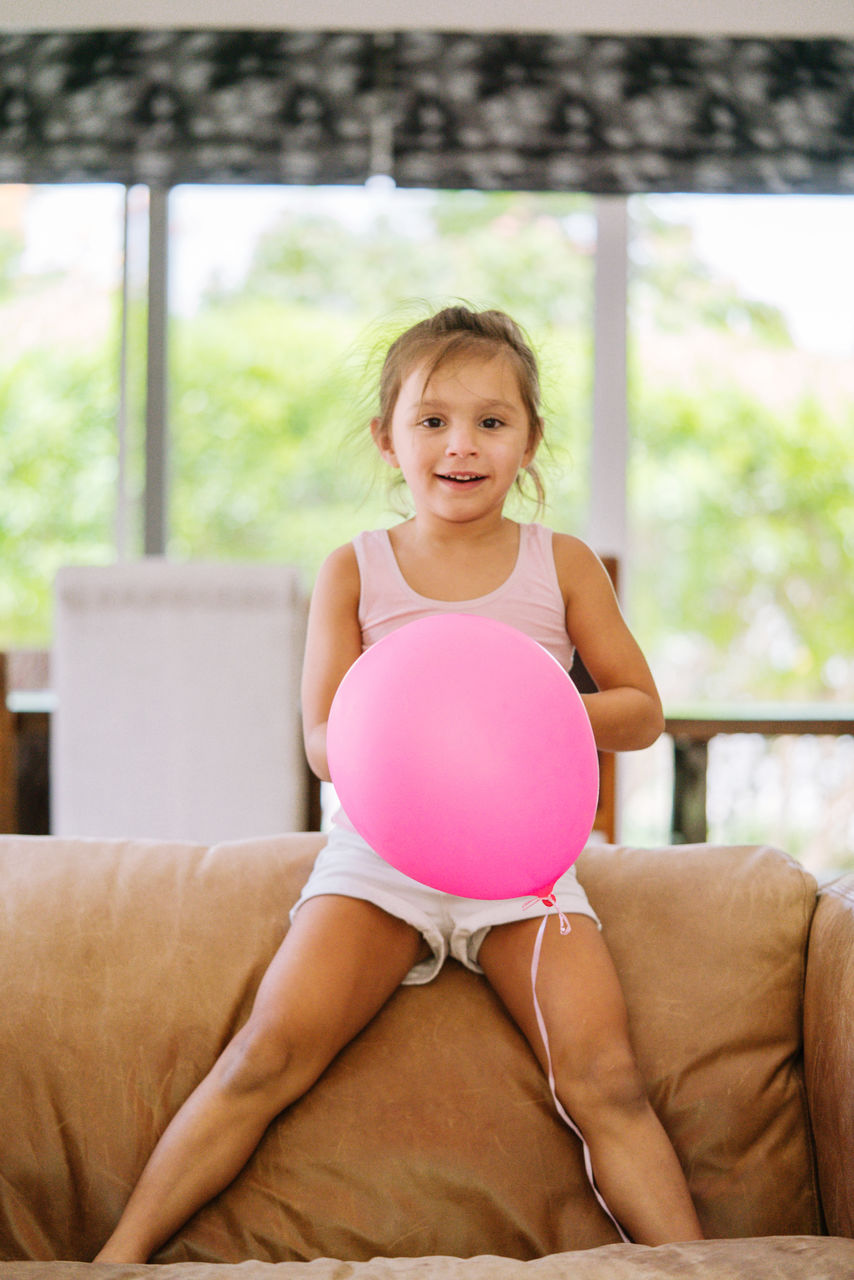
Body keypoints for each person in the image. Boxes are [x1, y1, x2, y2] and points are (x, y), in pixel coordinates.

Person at [96, 305, 702, 1262]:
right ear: (389, 440)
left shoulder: (564, 563)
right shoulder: (355, 570)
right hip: (381, 860)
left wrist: (529, 712)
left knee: (608, 1082)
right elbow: (325, 742)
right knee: (262, 1058)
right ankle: (112, 1262)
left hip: (526, 866)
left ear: (529, 441)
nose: (462, 446)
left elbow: (640, 709)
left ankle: (699, 1268)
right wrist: (426, 726)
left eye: (492, 422)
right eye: (433, 421)